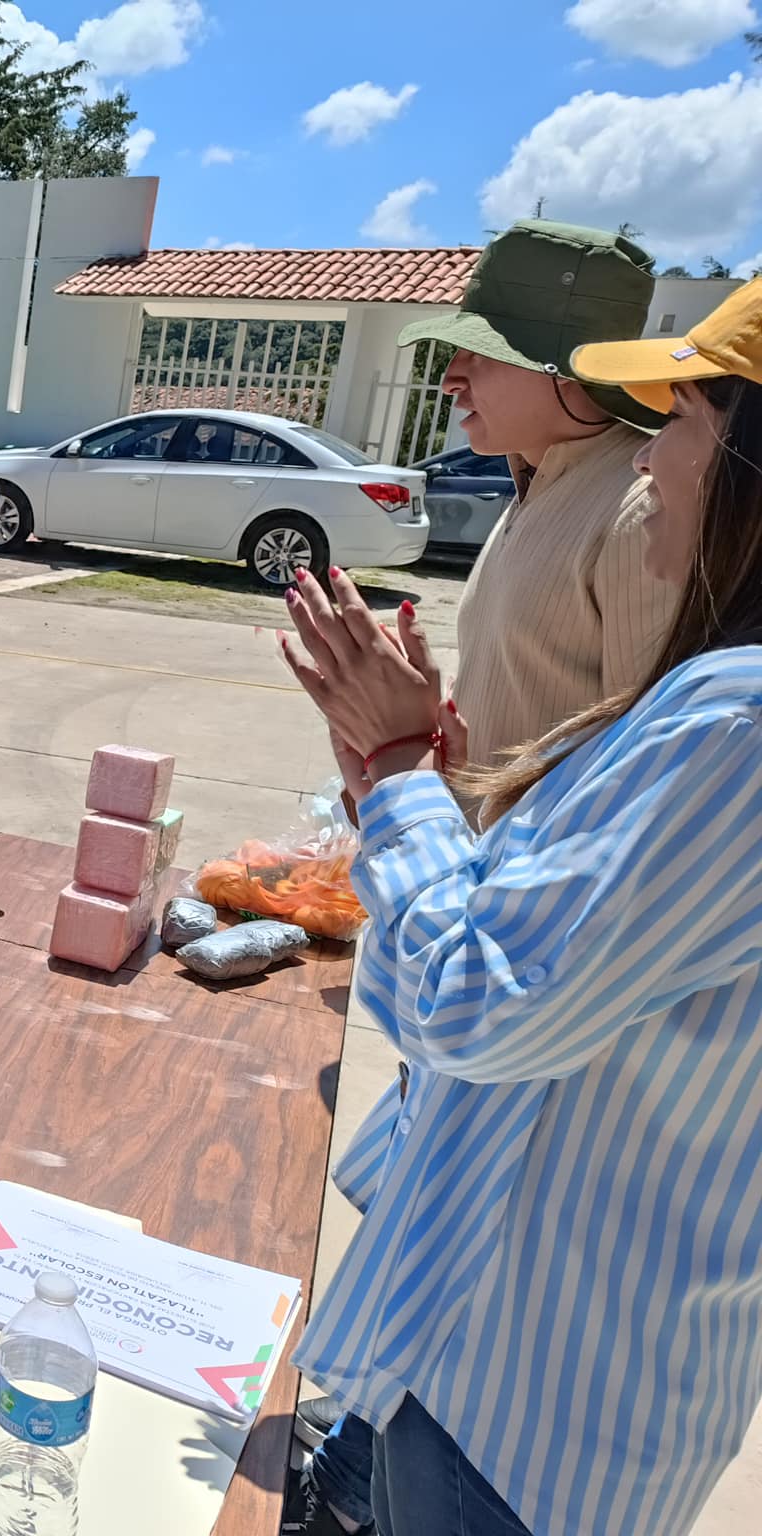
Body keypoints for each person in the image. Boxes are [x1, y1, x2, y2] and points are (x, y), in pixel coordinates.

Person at [275, 274, 762, 1536]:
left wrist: (396, 782)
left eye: (687, 416)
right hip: (474, 1331)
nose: (652, 449)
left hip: (536, 1397)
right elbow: (497, 958)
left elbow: (483, 1005)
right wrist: (410, 798)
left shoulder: (736, 719)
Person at [403, 219, 679, 788]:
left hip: (537, 874)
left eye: (483, 352)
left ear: (564, 366)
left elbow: (643, 774)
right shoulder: (534, 482)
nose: (452, 377)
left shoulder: (642, 512)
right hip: (473, 866)